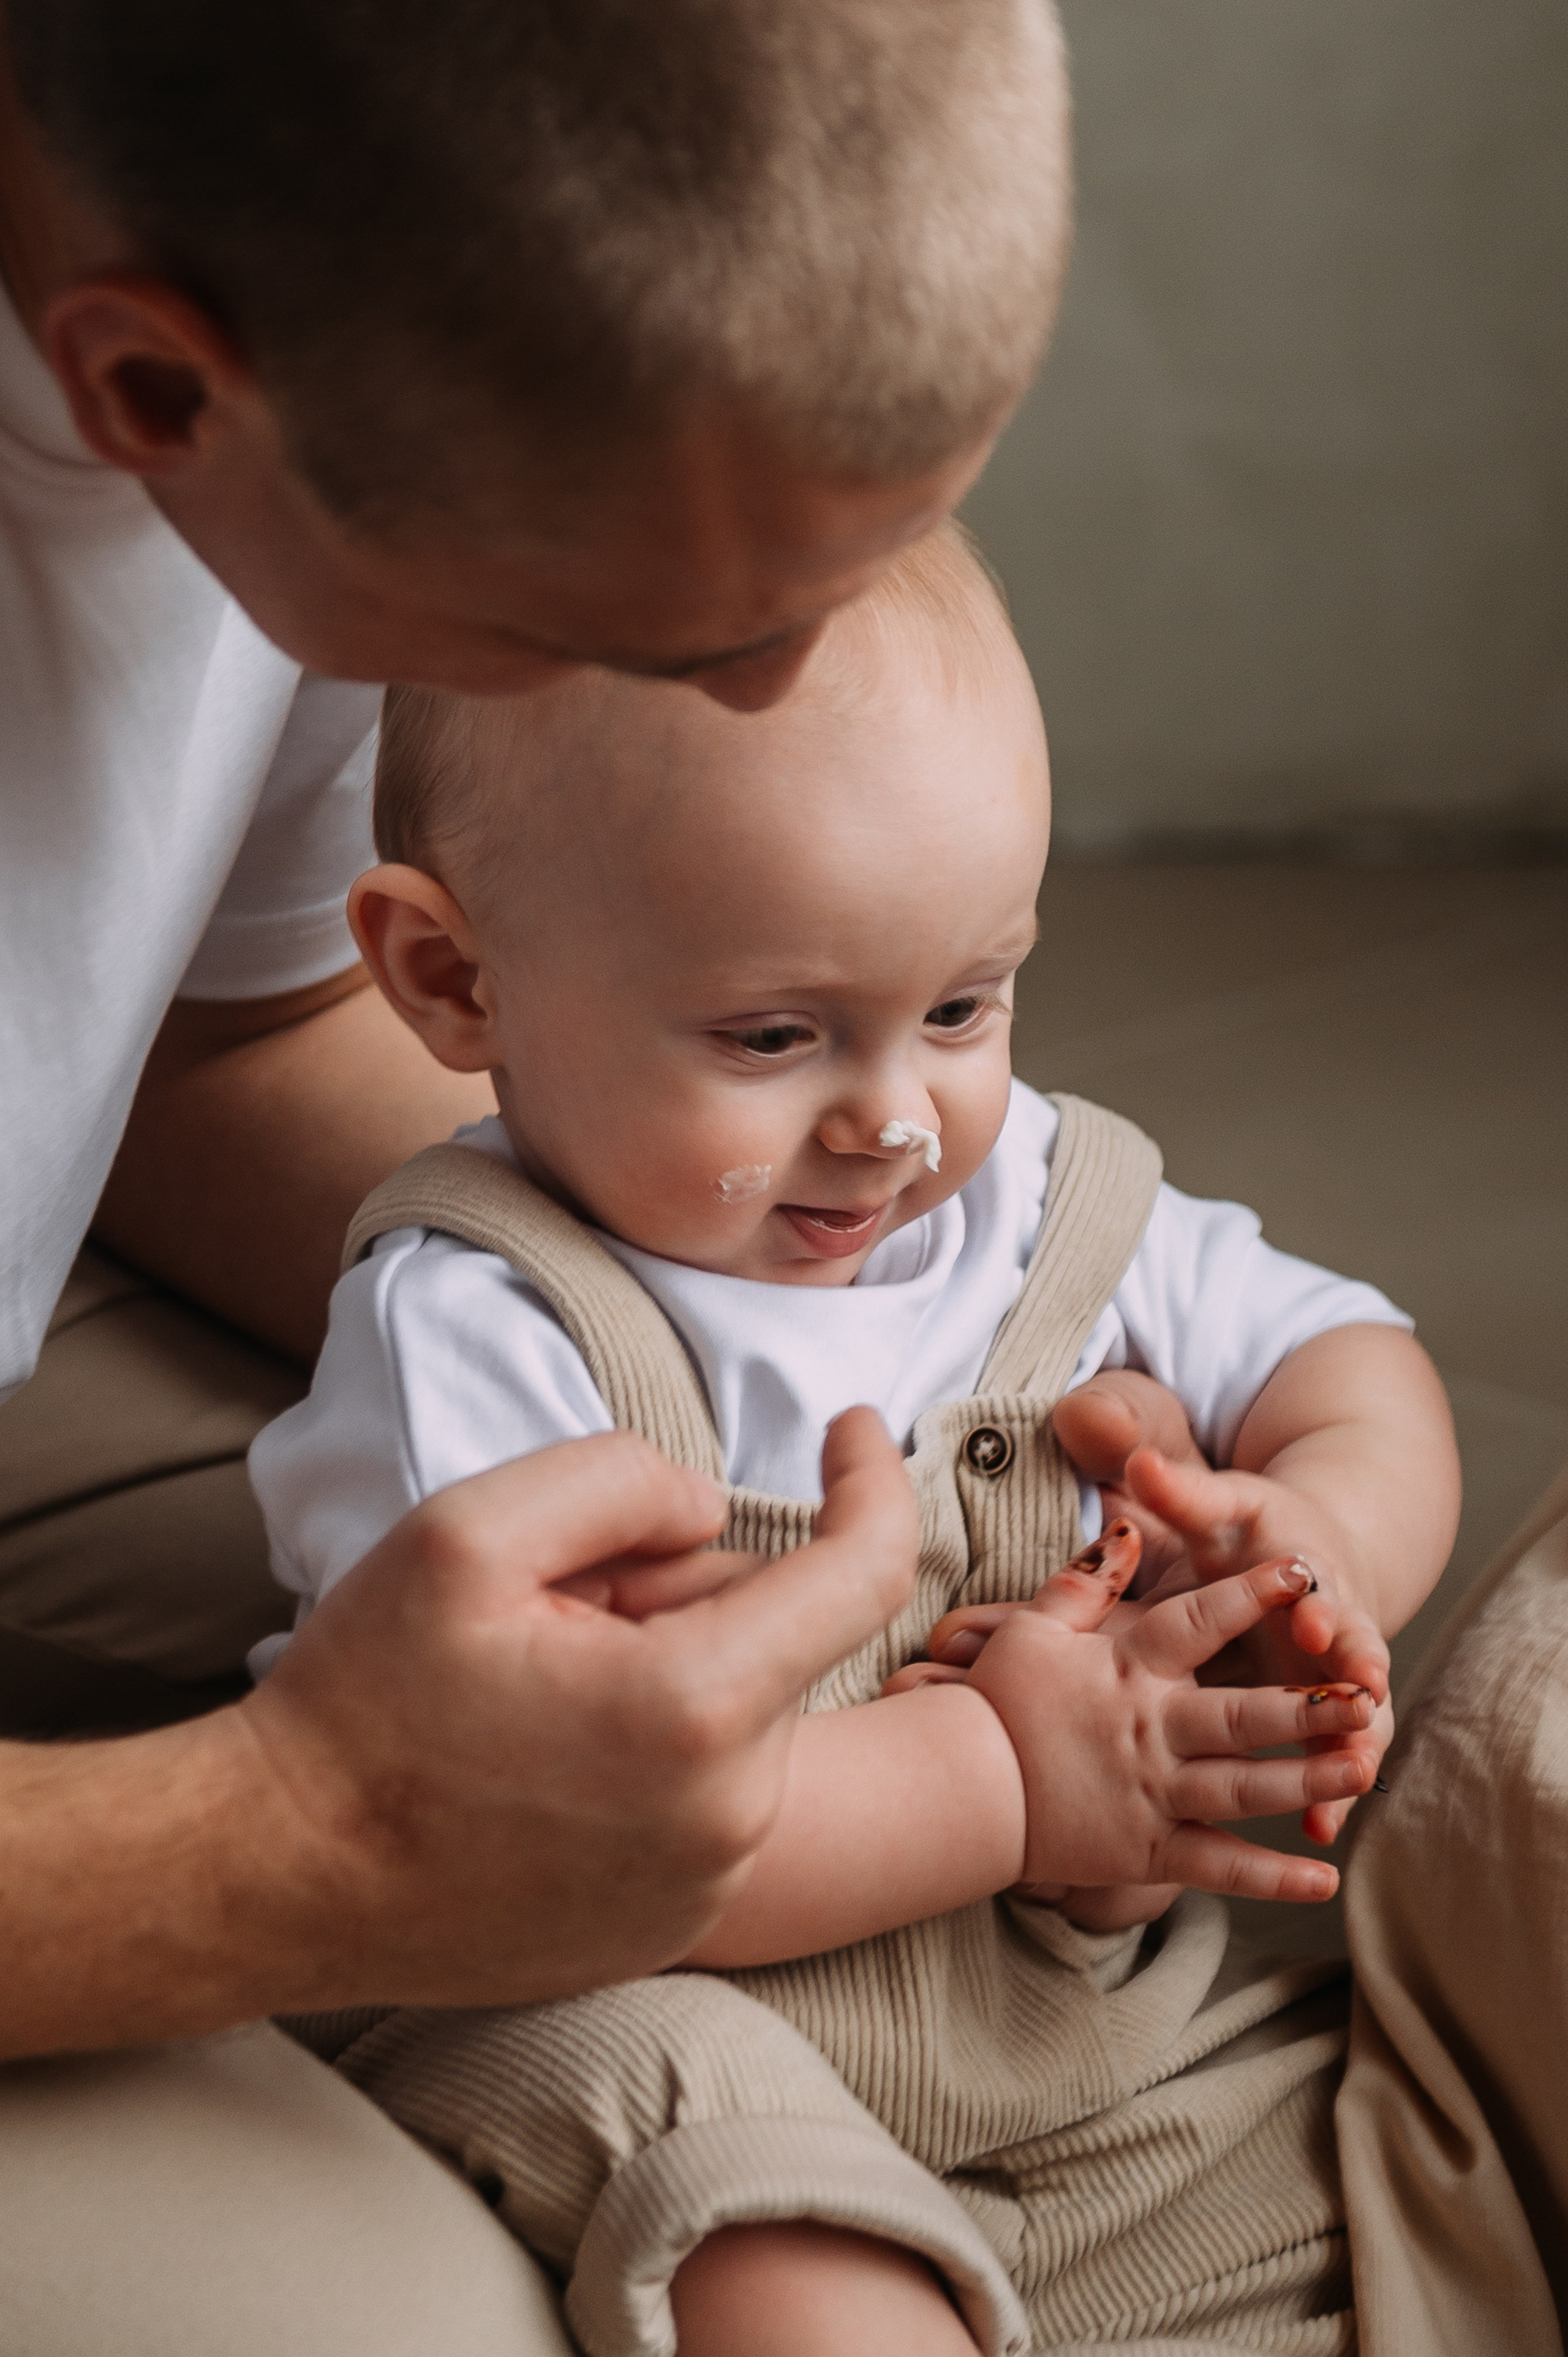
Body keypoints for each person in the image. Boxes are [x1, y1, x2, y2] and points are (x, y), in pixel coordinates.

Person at [0, 6, 1109, 2350]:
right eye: (619, 634)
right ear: (156, 393)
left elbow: (214, 1030)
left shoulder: (326, 308)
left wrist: (882, 1358)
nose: (766, 704)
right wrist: (305, 1843)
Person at [245, 525, 1461, 2355]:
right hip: (630, 2003)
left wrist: (1319, 1531)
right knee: (766, 2228)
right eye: (774, 1035)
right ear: (455, 979)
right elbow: (564, 1825)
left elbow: (1349, 1356)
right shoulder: (479, 1331)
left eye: (963, 1005)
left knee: (1381, 2170)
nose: (895, 1121)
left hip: (1068, 2038)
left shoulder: (1038, 1202)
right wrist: (1008, 1776)